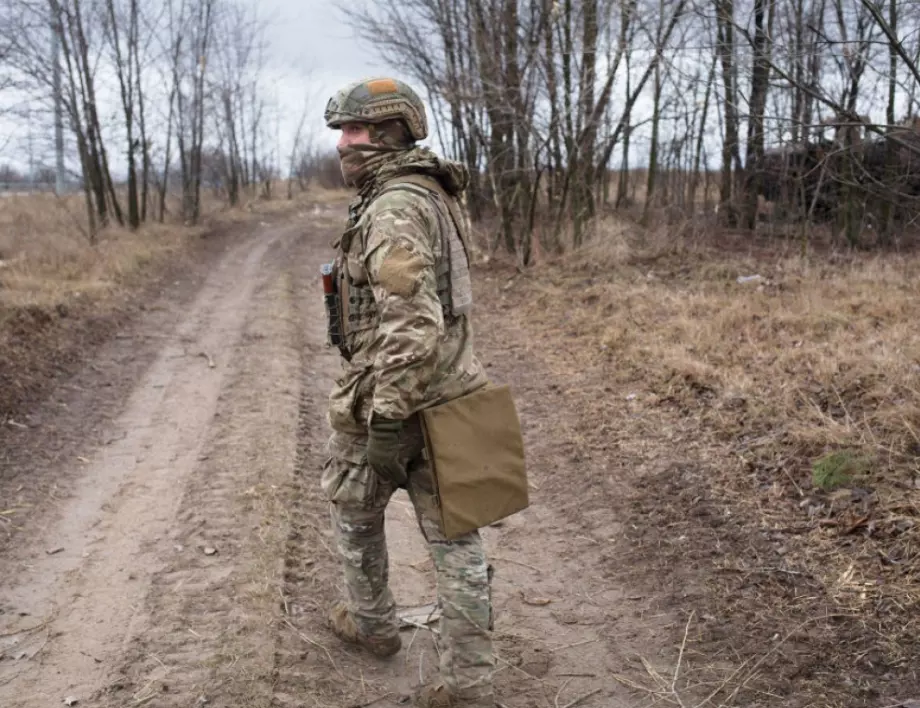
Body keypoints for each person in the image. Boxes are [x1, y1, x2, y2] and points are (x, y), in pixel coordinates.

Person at [320, 77, 496, 708]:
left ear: (390, 131)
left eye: (354, 130)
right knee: (458, 536)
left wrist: (389, 418)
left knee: (355, 508)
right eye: (342, 131)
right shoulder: (431, 190)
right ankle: (471, 682)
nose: (344, 143)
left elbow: (413, 320)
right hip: (456, 390)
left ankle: (373, 625)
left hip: (397, 398)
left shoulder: (395, 205)